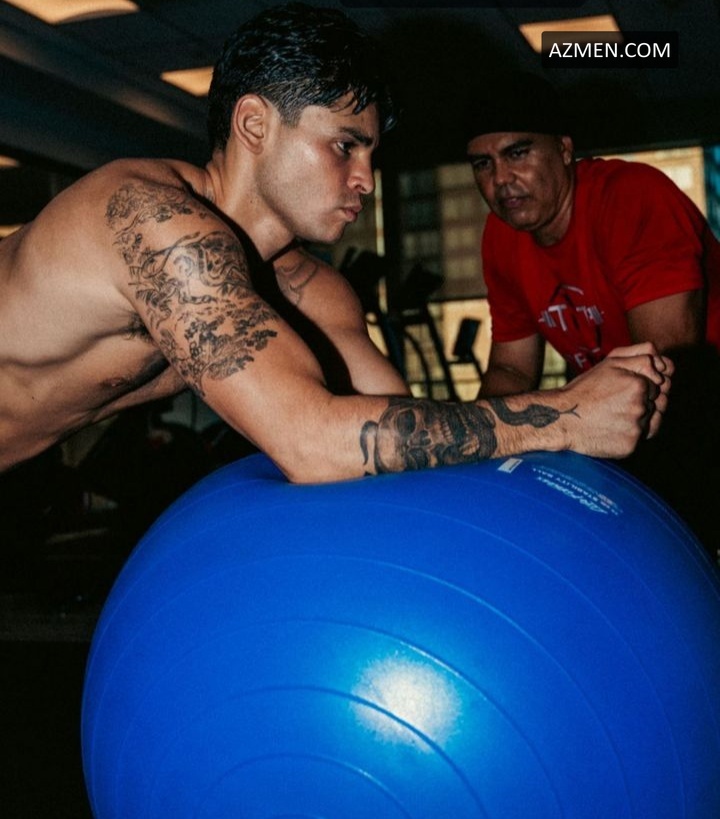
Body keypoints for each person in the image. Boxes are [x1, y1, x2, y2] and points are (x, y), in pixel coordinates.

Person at [0, 4, 670, 493]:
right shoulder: (152, 221)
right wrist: (564, 416)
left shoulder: (313, 291)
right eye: (344, 146)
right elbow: (310, 441)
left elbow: (408, 434)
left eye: (371, 154)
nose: (366, 180)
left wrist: (589, 413)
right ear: (255, 124)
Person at [465, 72, 719, 558]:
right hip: (629, 408)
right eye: (483, 163)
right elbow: (510, 370)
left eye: (518, 153)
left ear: (564, 150)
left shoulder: (632, 197)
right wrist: (479, 455)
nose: (500, 180)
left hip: (696, 398)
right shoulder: (501, 237)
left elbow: (664, 370)